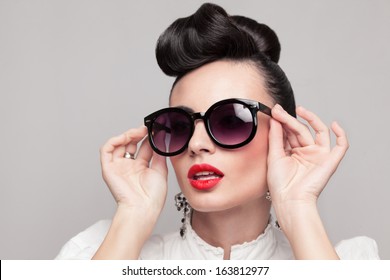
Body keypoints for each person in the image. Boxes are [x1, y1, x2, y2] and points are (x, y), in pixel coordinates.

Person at [55, 3, 379, 260]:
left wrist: (298, 206)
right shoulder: (103, 254)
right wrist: (133, 214)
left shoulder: (345, 261)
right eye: (180, 126)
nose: (196, 144)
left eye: (229, 120)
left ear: (284, 134)